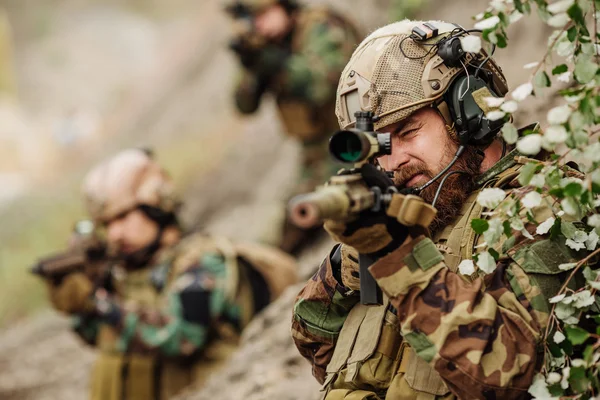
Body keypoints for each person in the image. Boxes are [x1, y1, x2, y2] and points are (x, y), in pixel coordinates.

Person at [291, 20, 587, 399]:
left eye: (407, 132)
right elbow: (317, 347)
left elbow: (505, 378)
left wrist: (396, 256)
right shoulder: (424, 208)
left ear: (469, 111)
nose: (391, 161)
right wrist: (342, 271)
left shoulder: (545, 207)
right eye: (380, 144)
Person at [41, 148, 297, 400]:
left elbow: (179, 338)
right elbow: (105, 340)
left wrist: (98, 303)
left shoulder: (204, 262)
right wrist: (80, 307)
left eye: (122, 217)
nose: (114, 234)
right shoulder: (127, 274)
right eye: (106, 225)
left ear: (156, 205)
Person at [225, 0, 361, 253]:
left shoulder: (320, 24)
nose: (260, 25)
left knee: (335, 204)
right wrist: (251, 65)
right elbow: (244, 106)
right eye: (254, 19)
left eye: (264, 14)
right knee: (285, 225)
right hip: (316, 153)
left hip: (355, 134)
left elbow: (322, 85)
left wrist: (275, 64)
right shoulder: (265, 47)